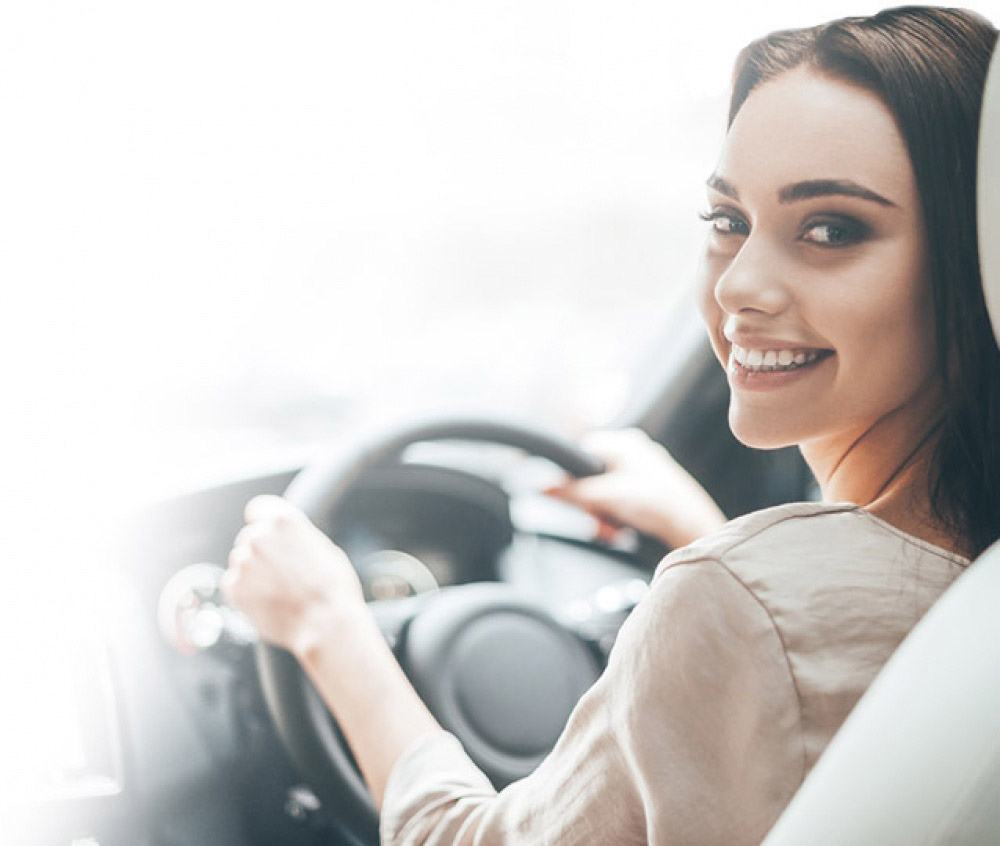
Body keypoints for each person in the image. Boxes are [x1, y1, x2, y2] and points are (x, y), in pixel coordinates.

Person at [222, 7, 1000, 844]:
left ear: (977, 264)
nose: (740, 285)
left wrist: (326, 625)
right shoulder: (960, 583)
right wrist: (702, 534)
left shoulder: (734, 597)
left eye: (831, 230)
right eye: (727, 220)